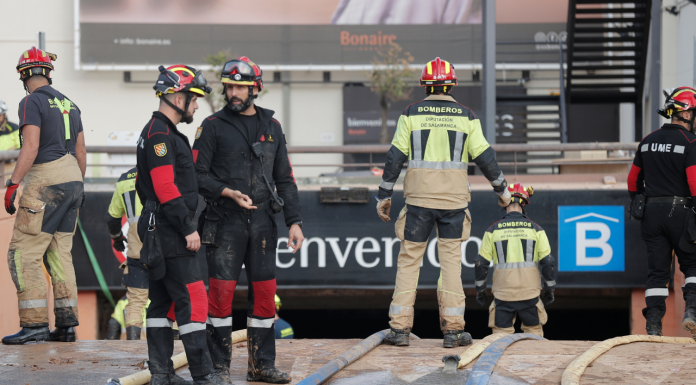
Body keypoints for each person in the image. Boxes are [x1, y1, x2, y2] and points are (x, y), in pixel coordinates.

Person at [376, 57, 511, 348]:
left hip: (418, 202)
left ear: (425, 85)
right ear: (451, 85)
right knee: (450, 264)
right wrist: (503, 191)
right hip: (453, 203)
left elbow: (394, 157)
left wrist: (384, 196)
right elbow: (485, 157)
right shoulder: (466, 116)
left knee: (409, 262)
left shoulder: (411, 113)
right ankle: (453, 331)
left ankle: (399, 330)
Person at [193, 56, 303, 384]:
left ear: (256, 89)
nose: (234, 92)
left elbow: (285, 178)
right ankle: (219, 369)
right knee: (220, 297)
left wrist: (294, 221)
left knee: (266, 295)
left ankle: (261, 366)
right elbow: (197, 175)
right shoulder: (211, 127)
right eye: (230, 86)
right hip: (224, 223)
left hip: (264, 226)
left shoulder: (273, 127)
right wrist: (227, 191)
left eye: (240, 86)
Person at [135, 65, 225, 385]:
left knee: (161, 301)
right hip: (171, 230)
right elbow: (165, 187)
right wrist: (188, 228)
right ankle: (204, 375)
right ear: (175, 96)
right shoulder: (160, 135)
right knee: (193, 298)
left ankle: (161, 374)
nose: (197, 106)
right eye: (193, 98)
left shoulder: (161, 132)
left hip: (159, 228)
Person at [2, 47, 86, 345]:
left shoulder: (31, 101)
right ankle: (66, 326)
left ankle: (34, 324)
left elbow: (31, 145)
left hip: (45, 183)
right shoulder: (70, 104)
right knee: (60, 254)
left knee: (22, 253)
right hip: (74, 181)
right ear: (48, 72)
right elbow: (80, 152)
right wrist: (77, 188)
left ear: (23, 74)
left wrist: (13, 183)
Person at [628, 86, 696, 337]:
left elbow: (632, 180)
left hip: (651, 213)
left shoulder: (647, 141)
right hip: (682, 212)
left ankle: (654, 326)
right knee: (692, 266)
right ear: (687, 114)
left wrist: (636, 200)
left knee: (658, 272)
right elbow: (694, 182)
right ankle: (692, 312)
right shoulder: (691, 142)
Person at [473, 183, 555, 337]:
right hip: (530, 294)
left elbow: (480, 263)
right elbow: (547, 262)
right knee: (534, 337)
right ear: (524, 203)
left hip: (503, 295)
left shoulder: (492, 230)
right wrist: (550, 288)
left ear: (504, 202)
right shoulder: (536, 229)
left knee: (499, 340)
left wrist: (480, 289)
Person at [105, 167, 148, 340]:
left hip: (136, 246)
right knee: (172, 295)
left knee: (136, 300)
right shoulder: (163, 170)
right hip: (164, 246)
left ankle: (133, 348)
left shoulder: (124, 179)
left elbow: (112, 218)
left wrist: (116, 238)